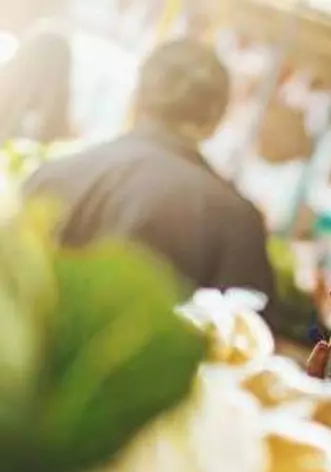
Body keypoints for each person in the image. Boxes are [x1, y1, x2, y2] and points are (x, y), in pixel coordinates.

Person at [25, 38, 276, 298]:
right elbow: (248, 331)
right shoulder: (237, 222)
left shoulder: (53, 174)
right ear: (216, 118)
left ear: (137, 98)